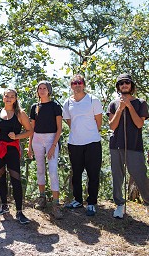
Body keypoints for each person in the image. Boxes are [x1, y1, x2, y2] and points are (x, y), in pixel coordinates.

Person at [0, 88, 32, 224]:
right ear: (3, 98)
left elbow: (30, 131)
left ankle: (19, 211)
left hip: (11, 149)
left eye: (12, 96)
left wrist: (17, 136)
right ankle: (4, 206)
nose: (9, 98)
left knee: (15, 178)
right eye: (7, 96)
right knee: (1, 176)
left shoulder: (20, 114)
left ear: (15, 98)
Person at [107, 73, 149, 218]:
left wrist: (129, 106)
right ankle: (120, 204)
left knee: (140, 175)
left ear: (131, 86)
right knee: (117, 176)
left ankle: (148, 203)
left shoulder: (141, 103)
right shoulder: (113, 104)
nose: (124, 85)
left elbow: (139, 124)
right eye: (121, 83)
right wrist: (120, 108)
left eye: (127, 83)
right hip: (116, 145)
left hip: (134, 146)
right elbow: (112, 126)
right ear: (118, 87)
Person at [63, 74, 103, 216]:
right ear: (71, 86)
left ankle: (91, 203)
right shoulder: (67, 103)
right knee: (76, 174)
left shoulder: (93, 100)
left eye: (79, 82)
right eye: (74, 83)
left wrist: (89, 133)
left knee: (93, 174)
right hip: (74, 143)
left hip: (93, 143)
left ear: (84, 84)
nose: (77, 85)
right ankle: (78, 200)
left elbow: (99, 122)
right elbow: (69, 122)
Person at [28, 81, 63, 219]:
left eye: (44, 88)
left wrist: (53, 146)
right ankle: (42, 198)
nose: (42, 90)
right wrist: (30, 146)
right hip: (37, 139)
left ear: (49, 90)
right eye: (39, 88)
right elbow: (32, 129)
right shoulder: (34, 107)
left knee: (53, 171)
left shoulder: (55, 106)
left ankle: (56, 204)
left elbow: (59, 128)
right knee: (40, 169)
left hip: (51, 139)